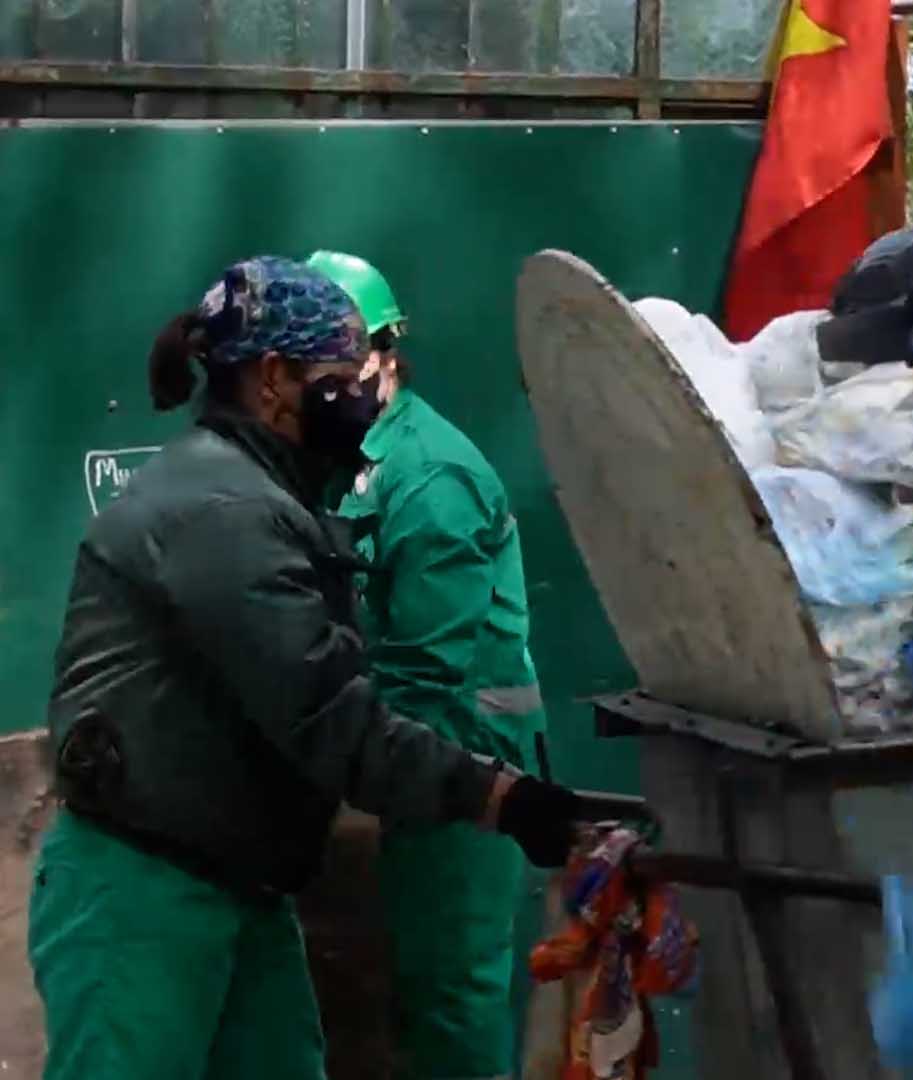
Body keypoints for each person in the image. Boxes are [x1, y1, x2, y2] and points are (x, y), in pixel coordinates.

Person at [30, 256, 583, 1080]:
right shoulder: (222, 514)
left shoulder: (264, 495)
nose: (362, 393)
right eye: (340, 374)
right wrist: (498, 796)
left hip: (236, 884)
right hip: (144, 900)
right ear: (276, 380)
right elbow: (329, 714)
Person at [306, 250, 547, 1079]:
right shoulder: (354, 459)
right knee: (417, 986)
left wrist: (337, 750)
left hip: (468, 751)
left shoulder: (429, 477)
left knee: (454, 992)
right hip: (413, 751)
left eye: (342, 355)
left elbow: (425, 670)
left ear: (386, 353)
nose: (326, 377)